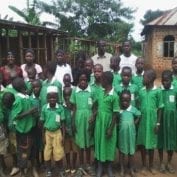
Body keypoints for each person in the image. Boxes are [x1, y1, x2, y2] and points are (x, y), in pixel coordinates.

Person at [137, 69, 164, 175]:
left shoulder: (157, 91)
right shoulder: (141, 91)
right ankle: (143, 165)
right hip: (143, 121)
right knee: (143, 144)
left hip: (152, 121)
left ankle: (151, 166)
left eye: (145, 77)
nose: (143, 79)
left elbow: (161, 107)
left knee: (152, 144)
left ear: (151, 79)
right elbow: (138, 105)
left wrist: (158, 123)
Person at [11, 77, 38, 177]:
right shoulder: (18, 100)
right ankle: (22, 172)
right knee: (23, 153)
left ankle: (33, 169)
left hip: (30, 129)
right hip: (23, 132)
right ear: (22, 86)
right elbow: (15, 116)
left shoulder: (26, 96)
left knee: (32, 150)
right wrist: (29, 111)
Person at [93, 71, 119, 177]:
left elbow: (115, 114)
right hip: (99, 123)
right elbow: (97, 106)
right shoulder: (100, 92)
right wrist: (93, 116)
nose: (100, 81)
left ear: (107, 81)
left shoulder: (114, 96)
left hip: (109, 124)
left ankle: (108, 167)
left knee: (109, 145)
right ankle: (100, 166)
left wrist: (110, 128)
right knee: (99, 143)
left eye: (102, 80)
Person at [70, 70, 95, 176]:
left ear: (88, 80)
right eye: (81, 80)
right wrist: (72, 122)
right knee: (80, 143)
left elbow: (95, 107)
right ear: (78, 81)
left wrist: (93, 117)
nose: (83, 82)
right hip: (78, 120)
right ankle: (80, 166)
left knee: (88, 143)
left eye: (85, 80)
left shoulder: (92, 91)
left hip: (89, 119)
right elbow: (74, 108)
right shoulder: (75, 91)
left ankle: (88, 164)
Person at [40, 86, 65, 177]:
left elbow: (62, 124)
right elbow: (42, 123)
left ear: (57, 98)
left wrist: (64, 136)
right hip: (47, 133)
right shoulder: (44, 108)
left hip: (57, 133)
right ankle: (48, 170)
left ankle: (60, 169)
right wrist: (43, 136)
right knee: (47, 153)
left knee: (58, 152)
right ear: (47, 98)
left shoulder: (60, 108)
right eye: (50, 98)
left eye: (54, 97)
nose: (52, 99)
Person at [158, 70, 177, 174]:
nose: (165, 83)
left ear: (172, 80)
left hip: (172, 121)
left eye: (167, 81)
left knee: (171, 141)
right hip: (161, 120)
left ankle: (169, 163)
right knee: (160, 141)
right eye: (163, 81)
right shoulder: (159, 91)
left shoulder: (175, 90)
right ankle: (161, 163)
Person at [118, 90, 141, 177]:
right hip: (122, 135)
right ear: (120, 100)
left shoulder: (133, 109)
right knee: (122, 151)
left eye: (127, 100)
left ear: (130, 100)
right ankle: (122, 169)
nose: (125, 102)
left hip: (131, 134)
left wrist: (134, 123)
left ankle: (131, 169)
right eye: (123, 100)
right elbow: (116, 119)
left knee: (131, 152)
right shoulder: (119, 110)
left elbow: (139, 115)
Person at [63, 87, 78, 175]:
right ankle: (68, 164)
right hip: (66, 133)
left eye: (69, 95)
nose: (67, 97)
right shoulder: (62, 107)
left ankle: (74, 165)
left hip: (75, 133)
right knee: (67, 150)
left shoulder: (75, 106)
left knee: (75, 150)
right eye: (65, 95)